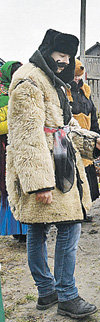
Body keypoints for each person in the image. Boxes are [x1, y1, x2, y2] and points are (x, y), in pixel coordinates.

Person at [6, 29, 100, 318]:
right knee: (67, 226)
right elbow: (27, 136)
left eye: (68, 57)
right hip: (42, 170)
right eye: (60, 55)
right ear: (46, 51)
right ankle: (65, 295)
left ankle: (47, 292)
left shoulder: (52, 81)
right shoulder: (29, 81)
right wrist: (39, 184)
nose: (64, 61)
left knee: (39, 230)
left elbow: (63, 128)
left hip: (60, 165)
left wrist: (93, 141)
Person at [67, 59, 100, 219]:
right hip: (71, 142)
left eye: (79, 77)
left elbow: (93, 116)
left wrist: (96, 137)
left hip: (87, 141)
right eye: (74, 76)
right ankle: (76, 212)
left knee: (89, 181)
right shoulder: (63, 91)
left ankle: (84, 209)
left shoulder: (85, 92)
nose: (77, 79)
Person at [0, 60, 28, 242]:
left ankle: (26, 228)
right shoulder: (2, 96)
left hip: (22, 146)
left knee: (24, 185)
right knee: (8, 187)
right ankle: (14, 228)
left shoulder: (23, 92)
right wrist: (15, 122)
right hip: (4, 148)